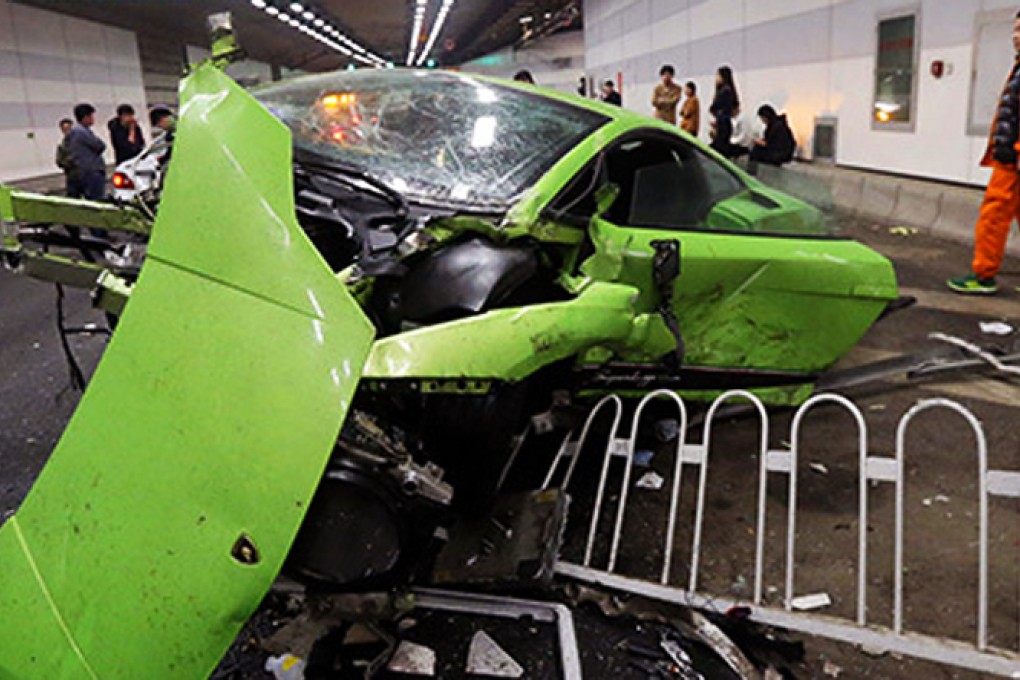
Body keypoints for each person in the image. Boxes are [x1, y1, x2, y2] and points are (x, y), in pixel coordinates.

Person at [948, 11, 1020, 295]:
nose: (1016, 36)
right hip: (1009, 156)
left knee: (993, 216)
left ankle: (984, 274)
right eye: (1014, 30)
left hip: (1012, 161)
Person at [65, 103, 107, 201]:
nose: (93, 119)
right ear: (86, 117)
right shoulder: (82, 132)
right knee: (96, 200)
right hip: (90, 171)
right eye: (92, 116)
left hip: (78, 171)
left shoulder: (73, 132)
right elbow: (100, 146)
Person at [709, 66, 739, 156]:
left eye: (718, 75)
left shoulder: (724, 91)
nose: (716, 78)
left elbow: (714, 107)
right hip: (724, 123)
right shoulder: (729, 90)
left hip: (722, 124)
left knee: (720, 149)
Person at [55, 118, 75, 195]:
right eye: (65, 129)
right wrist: (70, 161)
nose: (67, 131)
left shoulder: (82, 142)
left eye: (69, 129)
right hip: (71, 176)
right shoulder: (62, 146)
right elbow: (59, 161)